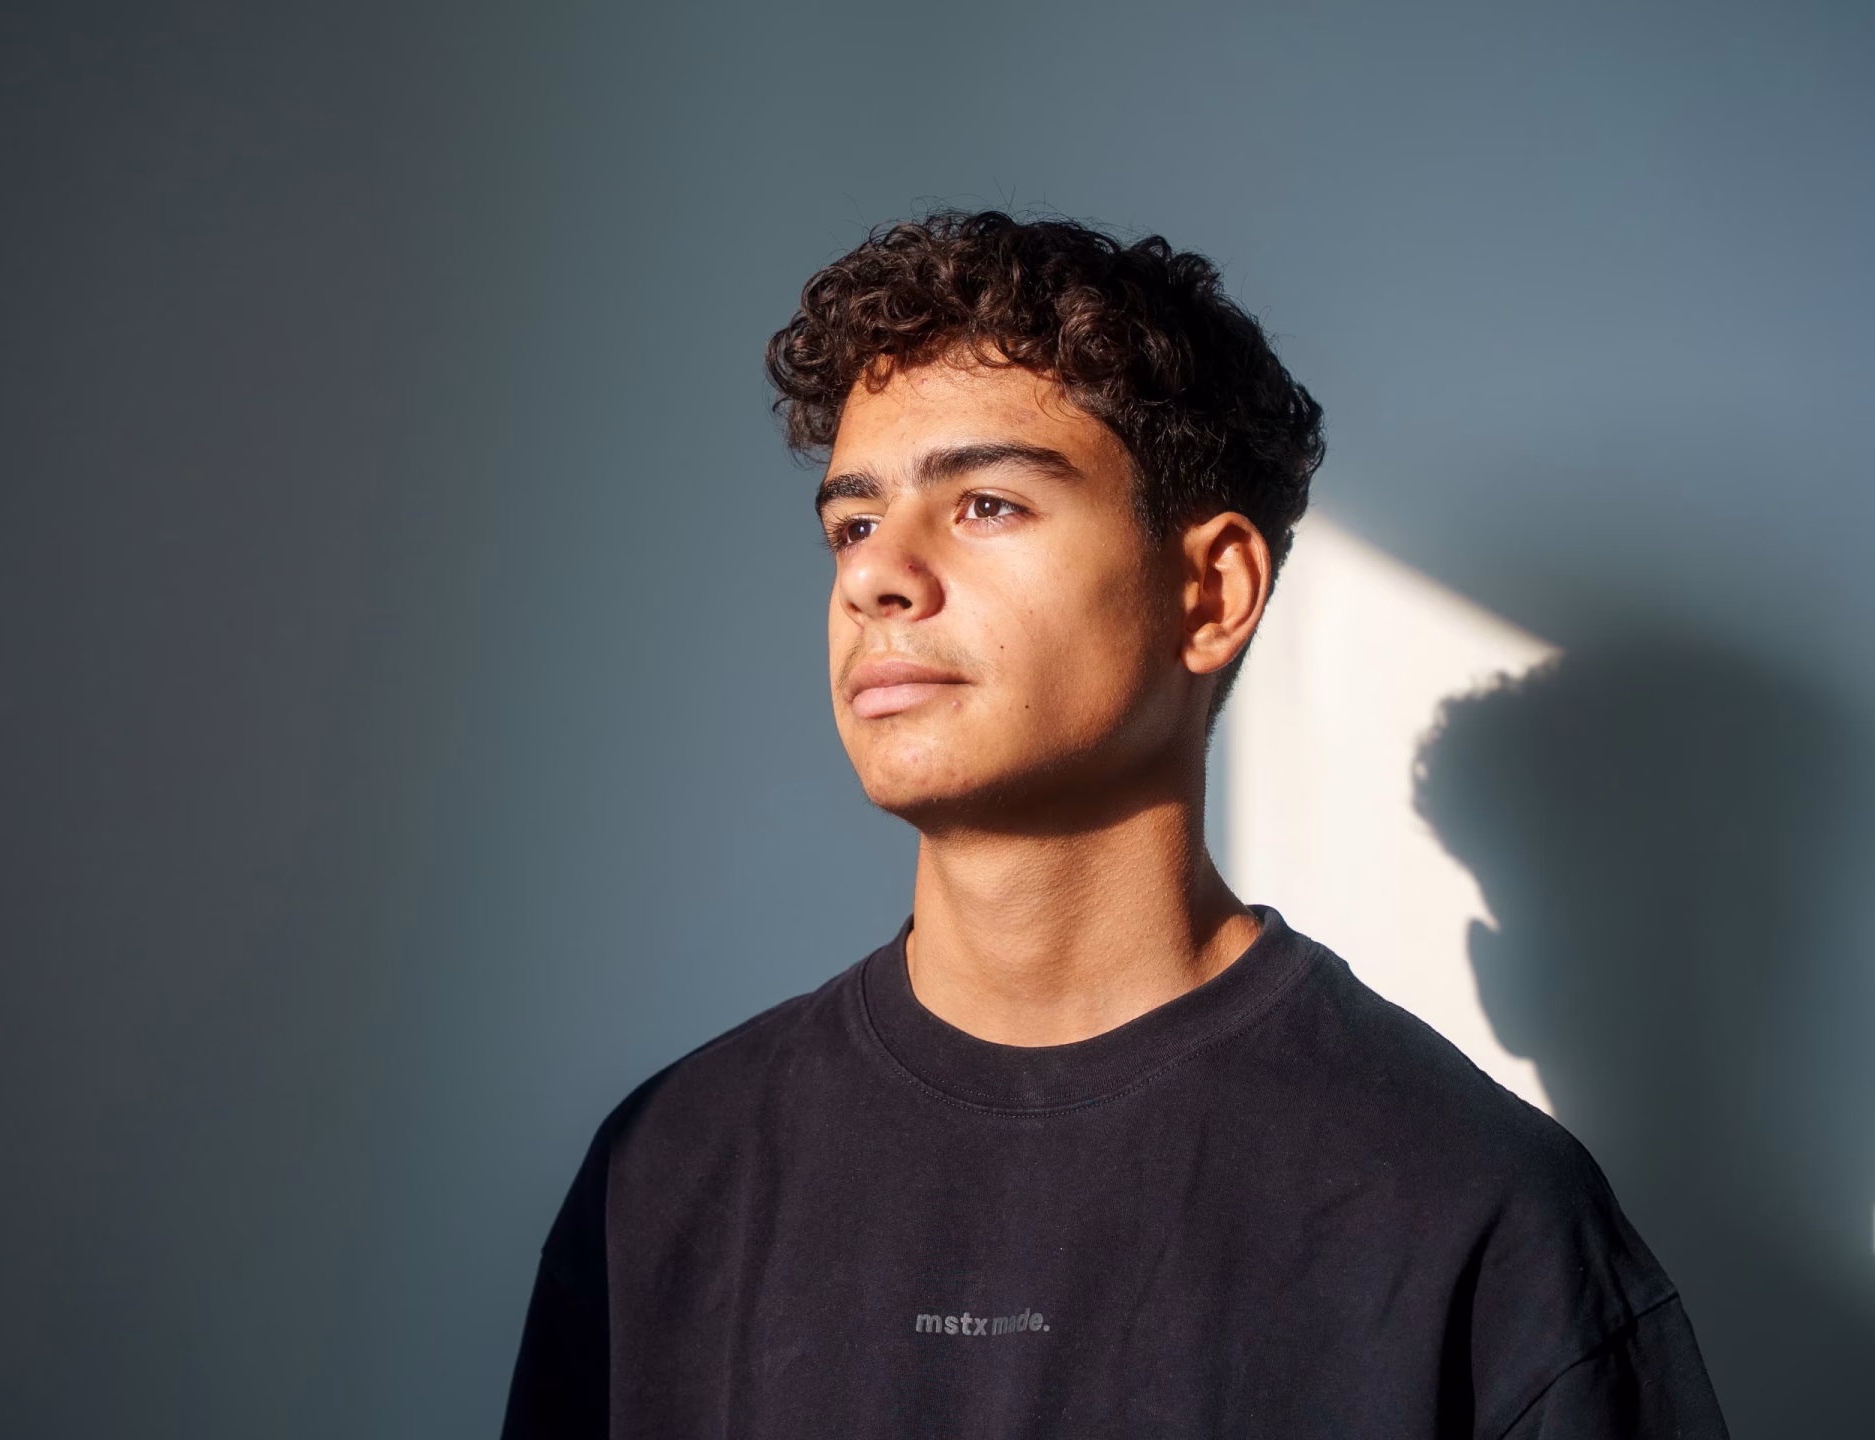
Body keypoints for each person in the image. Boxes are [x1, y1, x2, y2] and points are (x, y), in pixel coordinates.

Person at [501, 211, 1727, 1437]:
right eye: (854, 525)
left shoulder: (1474, 1218)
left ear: (1211, 592)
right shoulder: (667, 1174)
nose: (875, 576)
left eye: (986, 503)